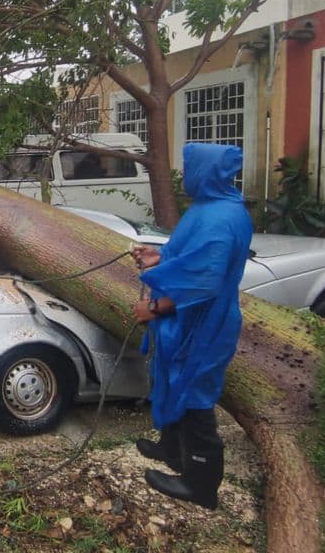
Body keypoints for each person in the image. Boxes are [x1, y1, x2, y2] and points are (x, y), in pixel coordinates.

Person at [129, 142, 253, 510]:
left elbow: (204, 283)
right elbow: (190, 254)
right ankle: (171, 449)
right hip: (187, 323)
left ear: (207, 172)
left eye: (190, 168)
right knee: (172, 381)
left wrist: (154, 307)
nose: (186, 176)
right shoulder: (212, 206)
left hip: (206, 326)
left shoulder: (221, 219)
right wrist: (159, 255)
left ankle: (201, 484)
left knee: (195, 397)